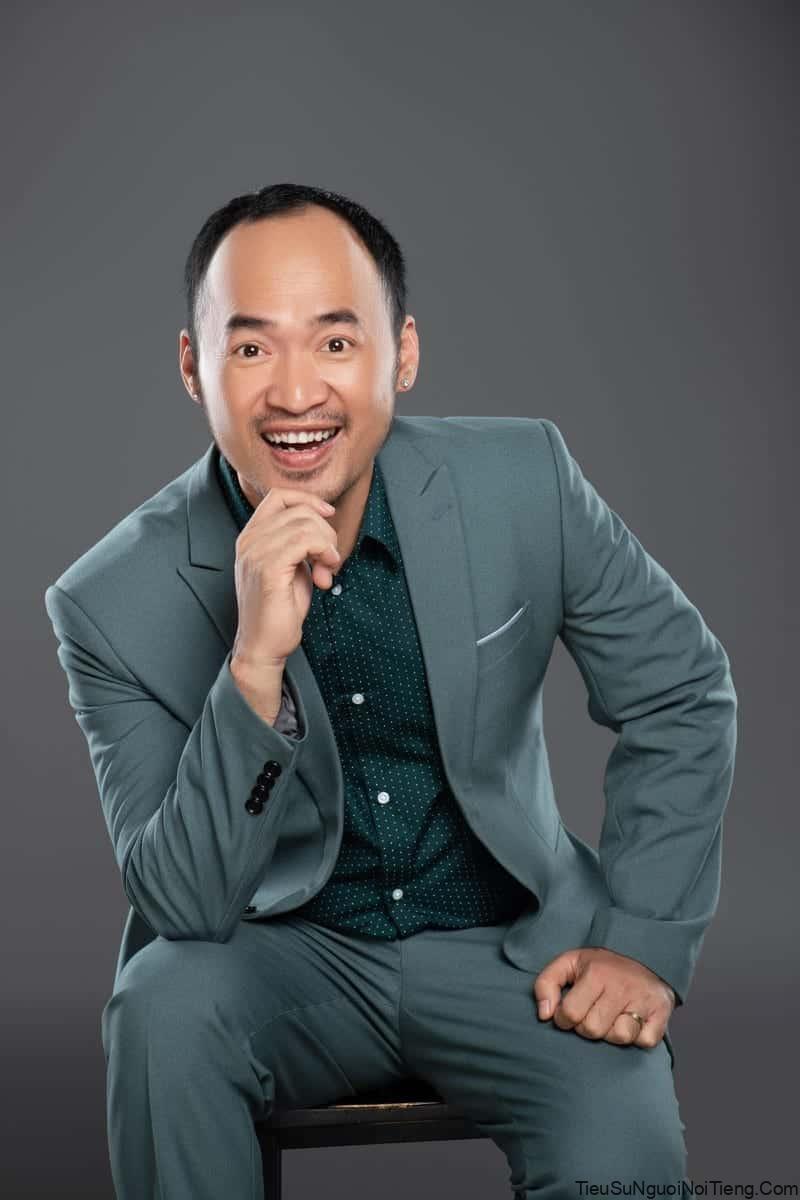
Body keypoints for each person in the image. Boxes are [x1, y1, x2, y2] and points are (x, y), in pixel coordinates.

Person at [44, 182, 737, 1199]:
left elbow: (679, 689)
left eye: (335, 341)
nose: (295, 394)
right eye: (250, 347)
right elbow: (183, 903)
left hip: (512, 951)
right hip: (277, 958)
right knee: (160, 1009)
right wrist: (253, 666)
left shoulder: (523, 481)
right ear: (193, 367)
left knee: (619, 1146)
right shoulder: (108, 601)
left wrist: (642, 944)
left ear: (401, 354)